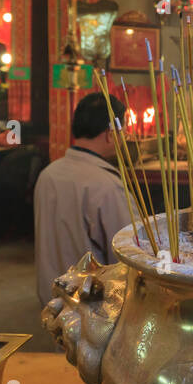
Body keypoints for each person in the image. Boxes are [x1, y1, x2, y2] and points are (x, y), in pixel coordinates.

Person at [34, 93, 132, 306]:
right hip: (92, 308)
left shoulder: (49, 174)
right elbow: (126, 253)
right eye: (122, 130)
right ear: (110, 133)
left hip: (52, 300)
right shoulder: (105, 184)